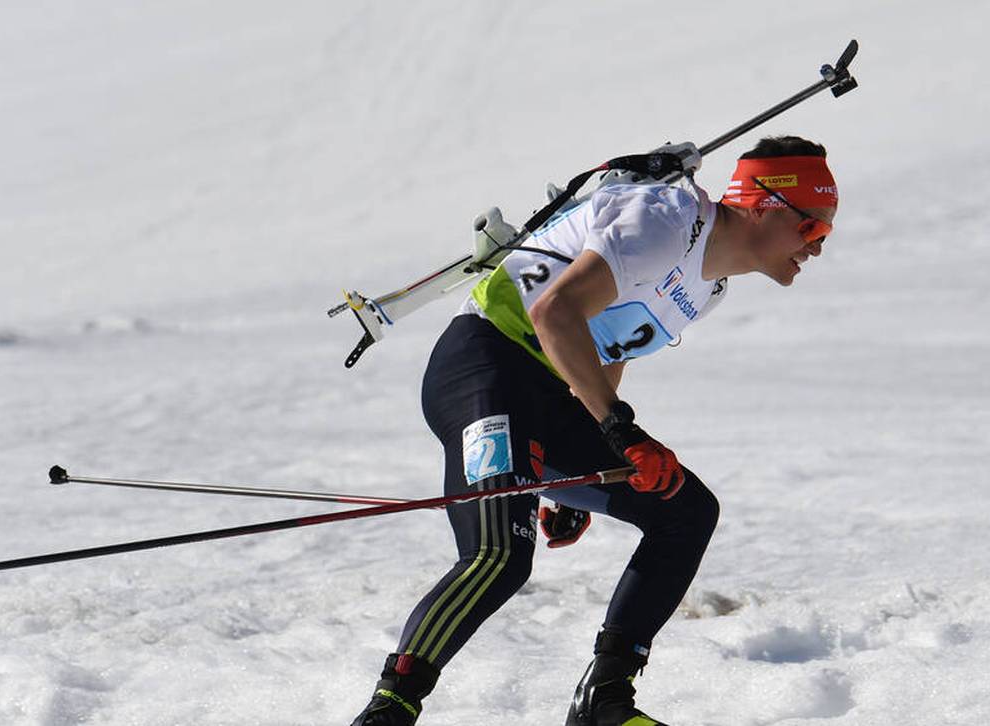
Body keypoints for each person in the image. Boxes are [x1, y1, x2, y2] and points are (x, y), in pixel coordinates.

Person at [350, 135, 838, 726]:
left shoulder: (709, 287)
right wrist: (618, 430)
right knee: (499, 554)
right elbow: (554, 313)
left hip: (554, 397)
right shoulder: (664, 221)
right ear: (765, 205)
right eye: (813, 230)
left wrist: (587, 453)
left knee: (684, 512)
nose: (817, 250)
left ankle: (604, 701)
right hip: (489, 365)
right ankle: (390, 709)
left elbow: (604, 349)